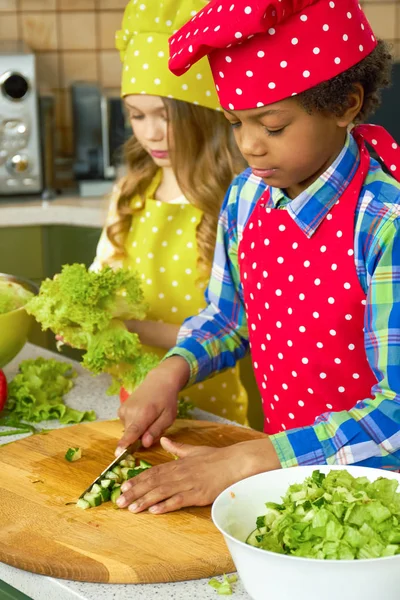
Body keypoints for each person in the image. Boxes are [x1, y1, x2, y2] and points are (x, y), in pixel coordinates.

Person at [114, 0, 400, 516]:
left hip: (377, 502)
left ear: (345, 105)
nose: (249, 146)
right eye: (235, 123)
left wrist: (244, 463)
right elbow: (230, 317)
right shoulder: (246, 197)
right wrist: (173, 369)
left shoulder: (385, 222)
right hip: (284, 483)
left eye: (271, 126)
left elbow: (396, 413)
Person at [92, 0, 248, 423]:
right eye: (137, 116)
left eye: (164, 115)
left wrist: (130, 328)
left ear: (202, 114)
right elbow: (99, 284)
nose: (151, 133)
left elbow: (237, 330)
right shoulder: (131, 191)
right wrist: (83, 319)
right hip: (127, 399)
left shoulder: (236, 197)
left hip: (210, 411)